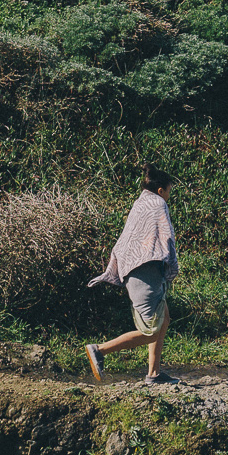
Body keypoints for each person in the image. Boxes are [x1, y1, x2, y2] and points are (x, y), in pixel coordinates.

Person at [85, 165, 180, 384]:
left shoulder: (141, 203)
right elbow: (166, 237)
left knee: (163, 318)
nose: (168, 197)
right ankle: (99, 350)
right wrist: (172, 266)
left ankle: (154, 374)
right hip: (145, 271)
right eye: (168, 191)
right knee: (150, 331)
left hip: (134, 268)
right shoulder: (158, 203)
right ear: (160, 191)